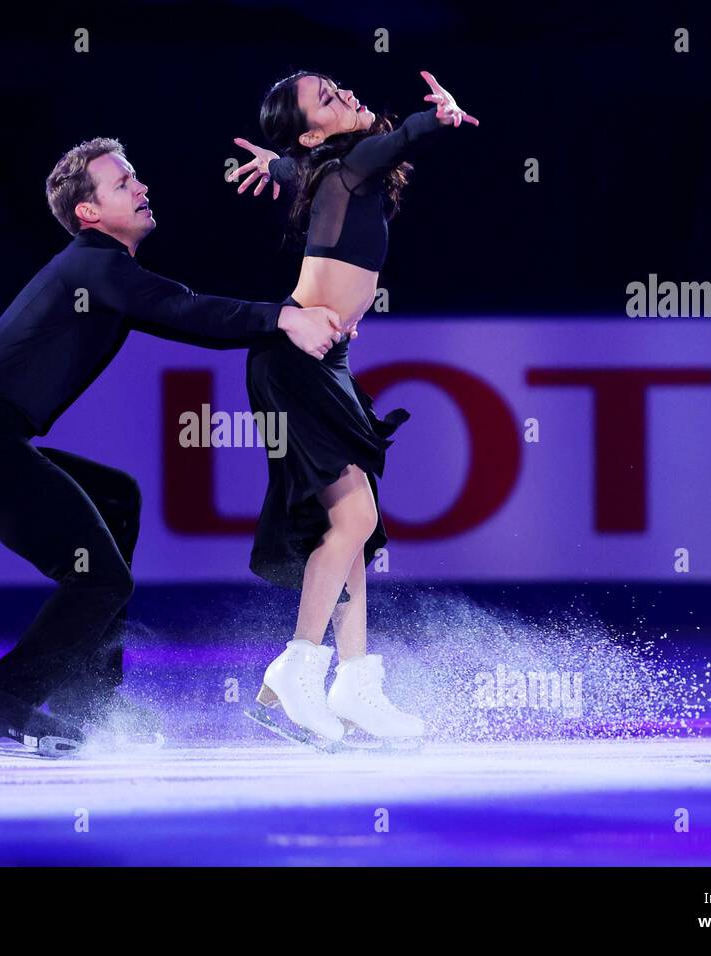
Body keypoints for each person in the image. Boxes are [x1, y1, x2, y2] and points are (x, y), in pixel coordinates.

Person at [0, 136, 346, 755]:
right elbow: (185, 310)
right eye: (123, 184)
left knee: (117, 498)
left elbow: (184, 315)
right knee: (99, 582)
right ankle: (0, 705)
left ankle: (86, 699)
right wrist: (284, 316)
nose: (141, 187)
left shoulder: (101, 271)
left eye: (136, 177)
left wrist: (280, 320)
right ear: (88, 213)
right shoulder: (95, 265)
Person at [230, 70, 477, 745]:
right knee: (354, 517)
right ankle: (297, 670)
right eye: (330, 102)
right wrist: (437, 121)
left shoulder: (322, 170)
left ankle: (355, 681)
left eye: (340, 88)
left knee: (353, 527)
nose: (349, 96)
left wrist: (279, 164)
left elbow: (308, 163)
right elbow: (380, 150)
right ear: (316, 131)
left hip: (320, 362)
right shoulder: (352, 167)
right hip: (297, 363)